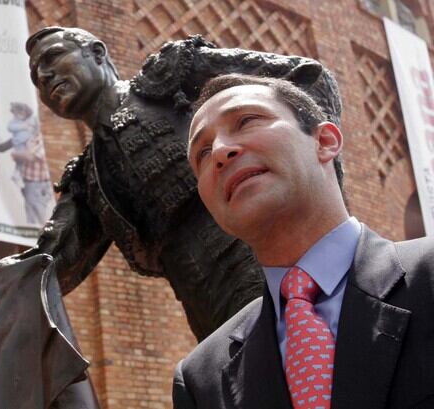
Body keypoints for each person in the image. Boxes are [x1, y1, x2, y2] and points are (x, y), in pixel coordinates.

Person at [14, 26, 343, 342]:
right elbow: (45, 264)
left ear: (97, 53)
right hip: (203, 303)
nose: (44, 77)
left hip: (264, 258)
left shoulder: (173, 74)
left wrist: (323, 187)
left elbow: (308, 78)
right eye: (34, 78)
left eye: (53, 58)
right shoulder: (89, 176)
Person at [172, 73, 434, 409]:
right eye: (203, 153)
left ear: (324, 141)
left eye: (247, 120)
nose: (221, 151)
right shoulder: (200, 379)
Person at [8, 102, 53, 225]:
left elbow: (29, 156)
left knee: (37, 216)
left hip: (36, 184)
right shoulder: (30, 137)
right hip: (32, 183)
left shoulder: (40, 139)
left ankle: (42, 241)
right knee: (33, 214)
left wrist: (14, 155)